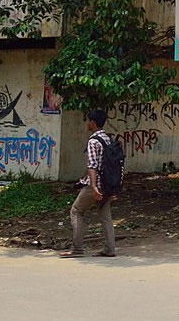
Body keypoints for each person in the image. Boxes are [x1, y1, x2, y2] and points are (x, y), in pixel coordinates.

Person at [60, 110, 116, 257]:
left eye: (89, 121)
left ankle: (77, 248)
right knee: (105, 215)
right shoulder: (108, 139)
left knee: (76, 211)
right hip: (108, 184)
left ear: (93, 122)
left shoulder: (93, 141)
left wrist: (93, 186)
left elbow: (92, 166)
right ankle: (110, 249)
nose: (87, 124)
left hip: (96, 184)